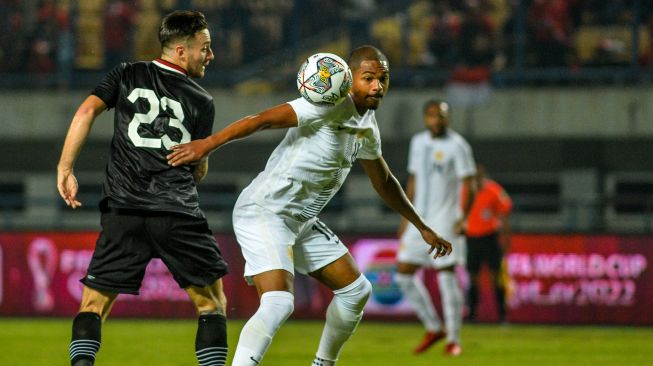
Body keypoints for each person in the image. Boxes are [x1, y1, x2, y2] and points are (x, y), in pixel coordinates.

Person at [167, 45, 453, 366]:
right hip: (265, 210)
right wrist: (206, 145)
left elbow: (384, 181)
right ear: (348, 79)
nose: (377, 86)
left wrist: (422, 227)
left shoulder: (367, 125)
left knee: (356, 291)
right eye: (368, 78)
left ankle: (322, 364)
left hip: (301, 221)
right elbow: (261, 120)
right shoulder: (326, 104)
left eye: (382, 79)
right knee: (278, 303)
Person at [57, 10, 229, 366]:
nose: (210, 56)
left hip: (124, 211)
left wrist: (65, 167)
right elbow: (197, 168)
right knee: (211, 303)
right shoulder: (202, 101)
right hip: (176, 212)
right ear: (181, 51)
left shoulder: (126, 73)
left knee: (92, 304)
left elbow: (85, 113)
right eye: (205, 48)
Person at [395, 100, 476, 356]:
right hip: (420, 221)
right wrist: (405, 219)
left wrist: (463, 217)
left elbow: (469, 185)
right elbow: (413, 181)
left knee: (446, 277)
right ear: (424, 118)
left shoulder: (459, 146)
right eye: (431, 116)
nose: (436, 120)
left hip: (446, 220)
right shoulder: (417, 142)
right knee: (403, 274)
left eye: (440, 116)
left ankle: (453, 339)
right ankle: (433, 327)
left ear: (447, 118)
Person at [464, 163, 512, 323]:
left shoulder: (493, 190)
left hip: (489, 238)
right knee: (473, 278)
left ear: (483, 173)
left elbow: (504, 215)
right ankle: (472, 314)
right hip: (471, 238)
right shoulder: (464, 191)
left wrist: (505, 239)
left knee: (496, 277)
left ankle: (502, 315)